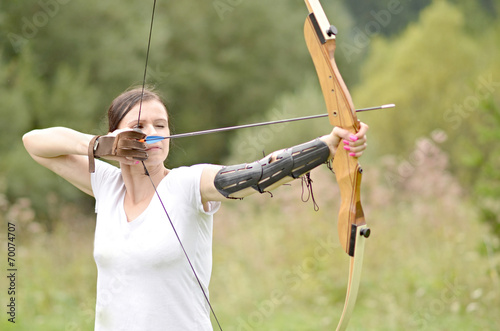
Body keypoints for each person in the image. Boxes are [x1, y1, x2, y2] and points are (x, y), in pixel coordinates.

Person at [22, 87, 369, 330]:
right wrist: (98, 146)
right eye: (139, 127)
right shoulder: (107, 186)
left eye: (161, 125)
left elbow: (257, 174)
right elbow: (34, 144)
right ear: (116, 135)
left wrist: (328, 144)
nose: (153, 134)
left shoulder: (189, 184)